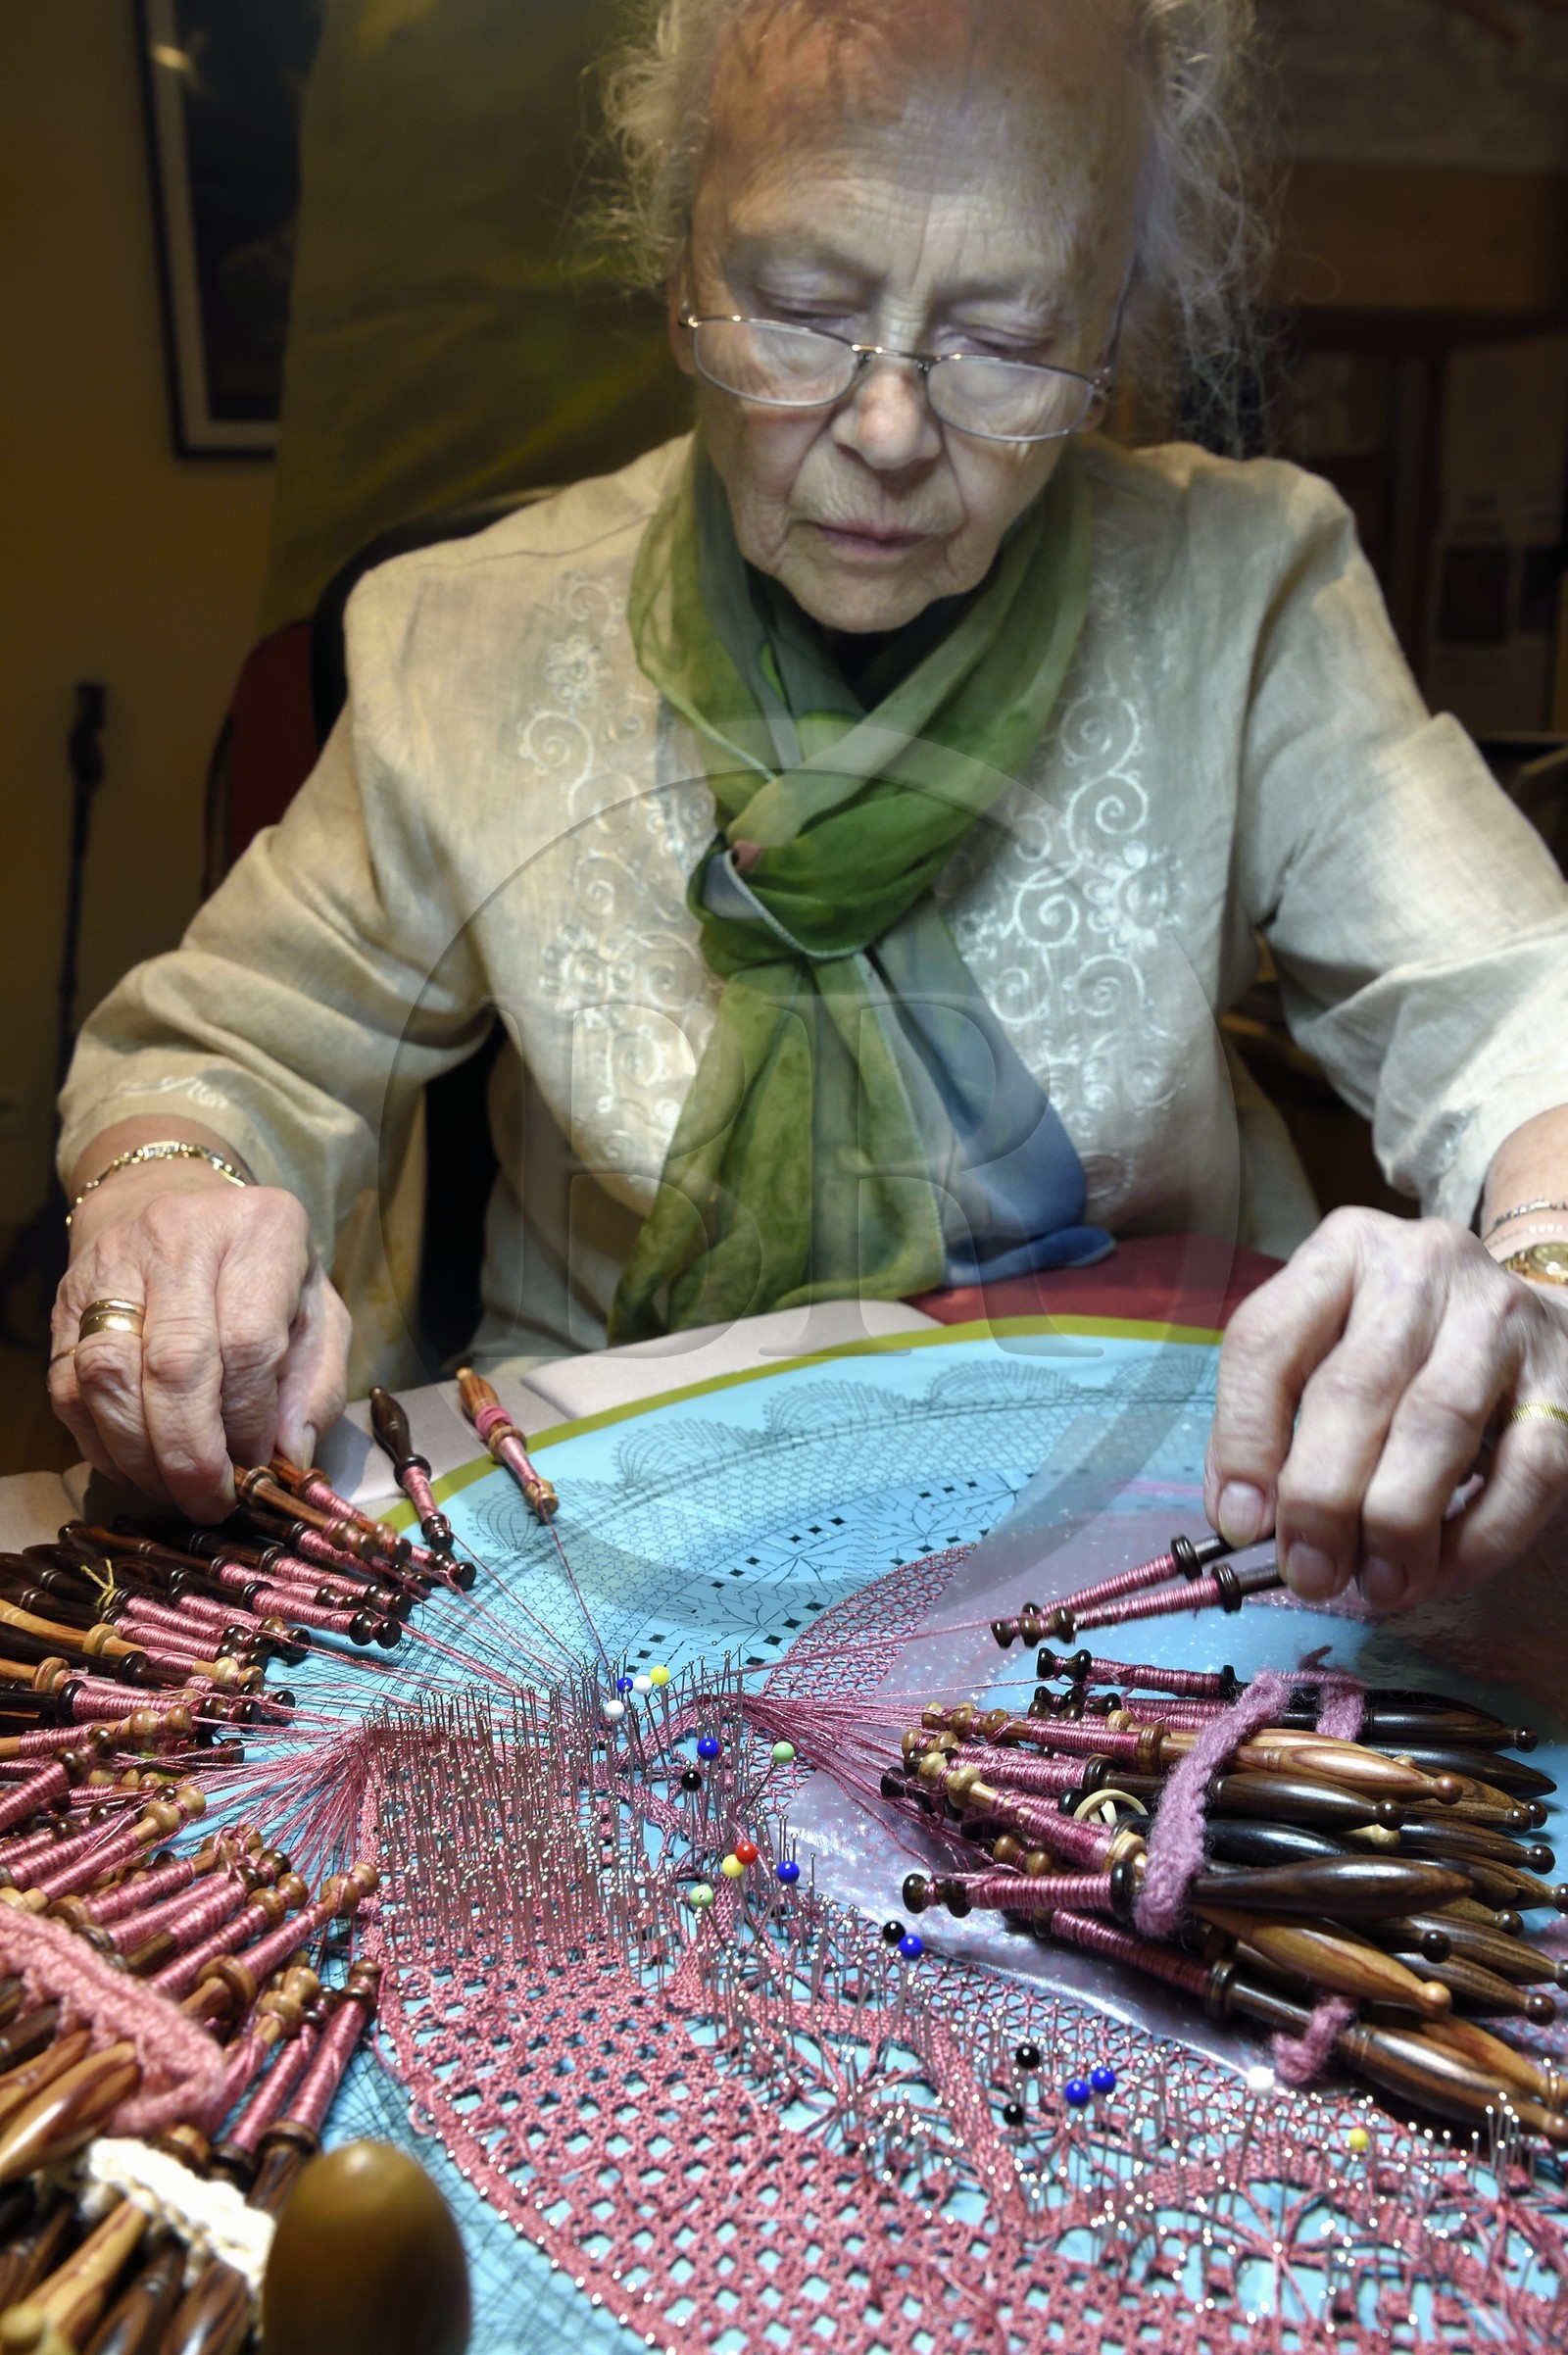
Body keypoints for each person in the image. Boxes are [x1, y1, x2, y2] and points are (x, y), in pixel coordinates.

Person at [51, 0, 1568, 1620]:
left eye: (1003, 334)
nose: (894, 429)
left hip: (1164, 1521)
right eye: (798, 303)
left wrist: (1540, 1276)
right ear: (679, 265)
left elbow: (1513, 1012)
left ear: (1111, 325)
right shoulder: (461, 639)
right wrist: (167, 1200)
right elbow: (229, 1048)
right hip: (611, 1526)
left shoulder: (1245, 588)